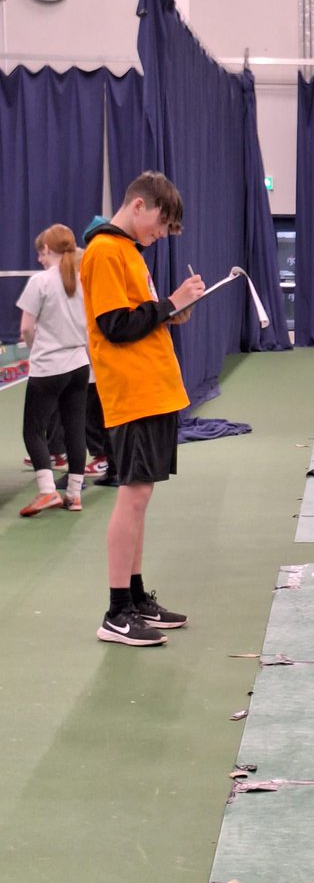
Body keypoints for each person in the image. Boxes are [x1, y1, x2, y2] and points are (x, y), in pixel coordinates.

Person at [80, 171, 205, 646]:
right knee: (131, 496)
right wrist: (169, 303)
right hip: (132, 392)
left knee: (141, 497)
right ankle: (115, 612)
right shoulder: (106, 251)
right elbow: (115, 325)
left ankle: (133, 598)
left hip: (153, 389)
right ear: (138, 206)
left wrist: (170, 310)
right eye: (160, 223)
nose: (160, 234)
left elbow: (140, 316)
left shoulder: (127, 251)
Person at [16, 224, 90, 517]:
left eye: (41, 252)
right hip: (79, 365)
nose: (39, 258)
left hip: (49, 367)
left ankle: (47, 491)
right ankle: (73, 494)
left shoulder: (40, 282)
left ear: (47, 249)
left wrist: (35, 351)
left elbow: (25, 328)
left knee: (33, 429)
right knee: (75, 428)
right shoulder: (82, 280)